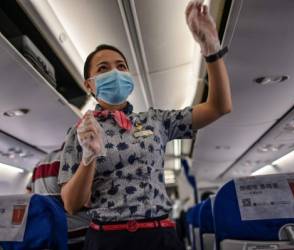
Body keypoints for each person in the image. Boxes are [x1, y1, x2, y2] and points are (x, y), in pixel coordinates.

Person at [58, 1, 232, 249]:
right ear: (89, 84)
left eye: (121, 66)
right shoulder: (80, 133)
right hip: (107, 239)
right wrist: (89, 157)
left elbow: (219, 107)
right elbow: (71, 204)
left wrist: (210, 48)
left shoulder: (155, 120)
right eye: (104, 68)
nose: (115, 73)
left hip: (160, 236)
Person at [30, 148, 90, 250]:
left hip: (50, 237)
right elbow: (88, 201)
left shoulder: (39, 164)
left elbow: (30, 195)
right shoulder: (78, 160)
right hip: (80, 239)